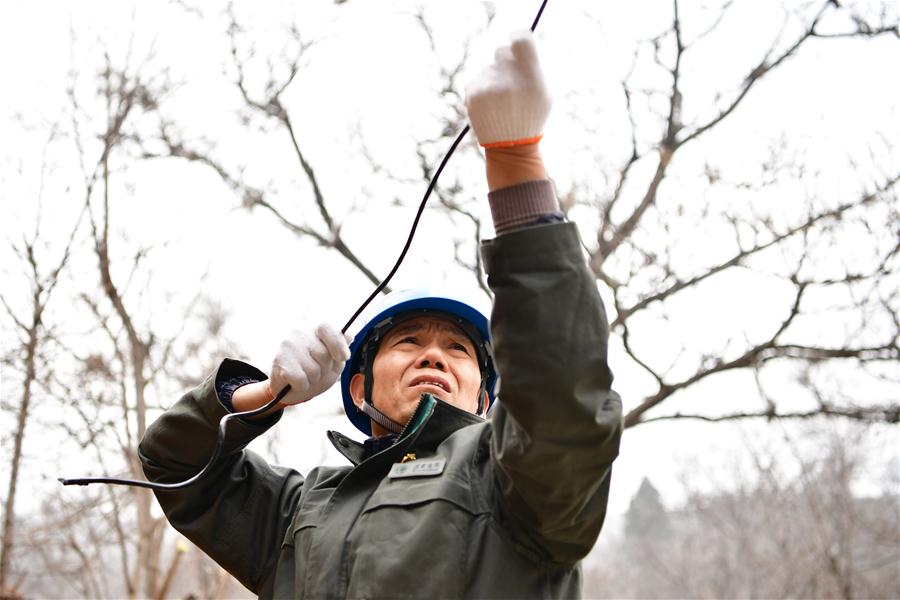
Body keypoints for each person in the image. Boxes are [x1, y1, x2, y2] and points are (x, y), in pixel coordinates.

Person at [140, 31, 622, 598]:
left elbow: (563, 399)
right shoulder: (301, 509)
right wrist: (264, 395)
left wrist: (515, 158)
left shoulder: (514, 485)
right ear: (361, 386)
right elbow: (173, 464)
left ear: (486, 400)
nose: (434, 354)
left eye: (459, 349)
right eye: (408, 341)